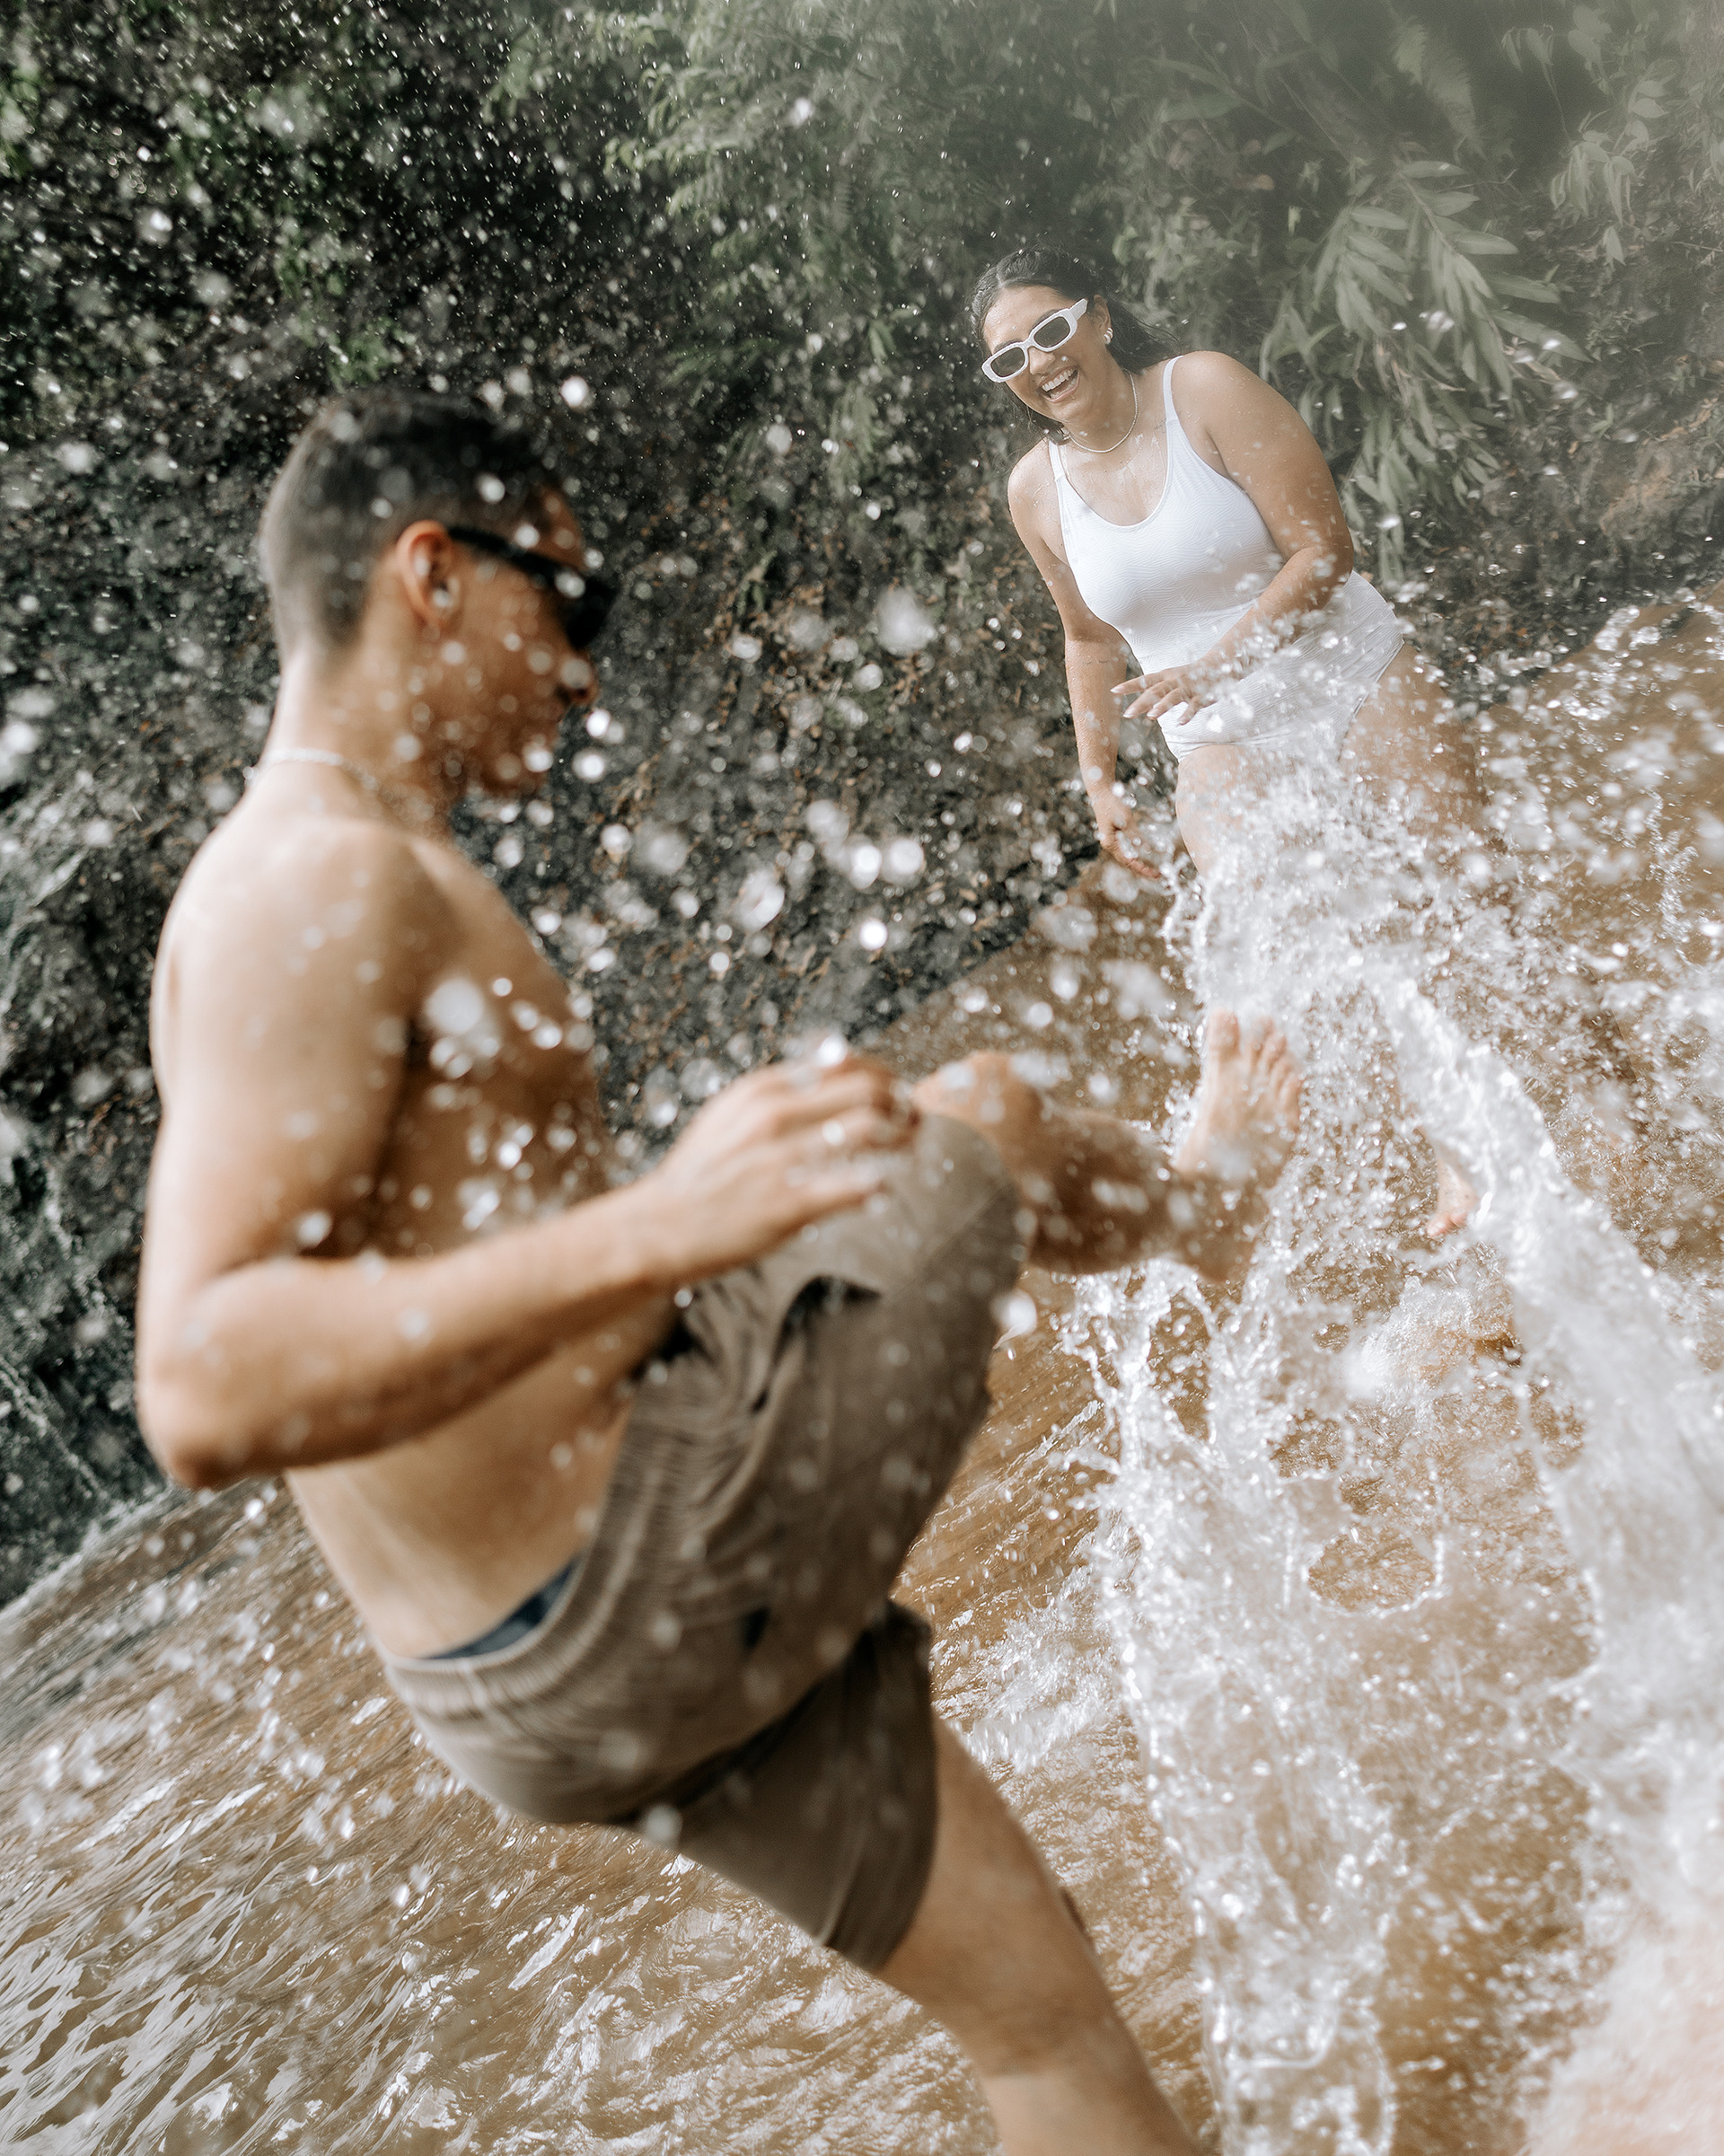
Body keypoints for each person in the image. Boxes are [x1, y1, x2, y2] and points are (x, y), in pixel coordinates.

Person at [136, 386, 1303, 2156]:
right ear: (431, 574)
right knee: (982, 1110)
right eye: (567, 602)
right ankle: (1208, 1208)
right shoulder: (308, 884)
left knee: (1044, 2020)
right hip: (630, 1581)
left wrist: (677, 1244)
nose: (581, 673)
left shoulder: (327, 871)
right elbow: (203, 1381)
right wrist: (669, 1223)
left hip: (539, 1655)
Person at [978, 240, 1526, 1240]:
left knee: (1470, 903)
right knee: (1303, 949)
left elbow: (1324, 551)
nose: (1040, 361)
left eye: (1051, 330)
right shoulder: (1035, 489)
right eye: (1010, 356)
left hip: (1351, 678)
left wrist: (1214, 664)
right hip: (1219, 741)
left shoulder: (1203, 390)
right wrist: (1099, 781)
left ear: (1099, 317)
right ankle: (1459, 1156)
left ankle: (1601, 1077)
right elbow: (1088, 638)